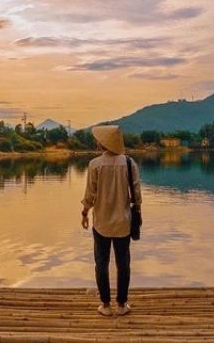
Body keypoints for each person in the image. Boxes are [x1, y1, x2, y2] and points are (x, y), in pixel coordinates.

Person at [80, 125, 142, 317]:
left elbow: (90, 194)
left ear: (103, 143)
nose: (97, 143)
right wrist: (137, 211)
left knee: (101, 263)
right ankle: (122, 305)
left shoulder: (95, 164)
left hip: (101, 223)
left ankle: (106, 305)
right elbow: (137, 194)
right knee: (123, 264)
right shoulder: (130, 163)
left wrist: (84, 212)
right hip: (123, 222)